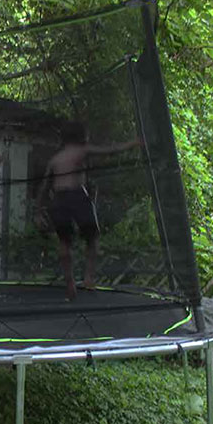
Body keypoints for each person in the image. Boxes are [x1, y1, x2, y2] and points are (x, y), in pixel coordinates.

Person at [36, 123, 141, 300]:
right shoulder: (81, 150)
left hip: (59, 198)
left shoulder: (55, 159)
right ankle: (88, 277)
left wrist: (38, 209)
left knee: (64, 242)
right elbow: (109, 150)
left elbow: (44, 186)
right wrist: (133, 143)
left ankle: (70, 281)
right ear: (81, 137)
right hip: (77, 195)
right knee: (92, 238)